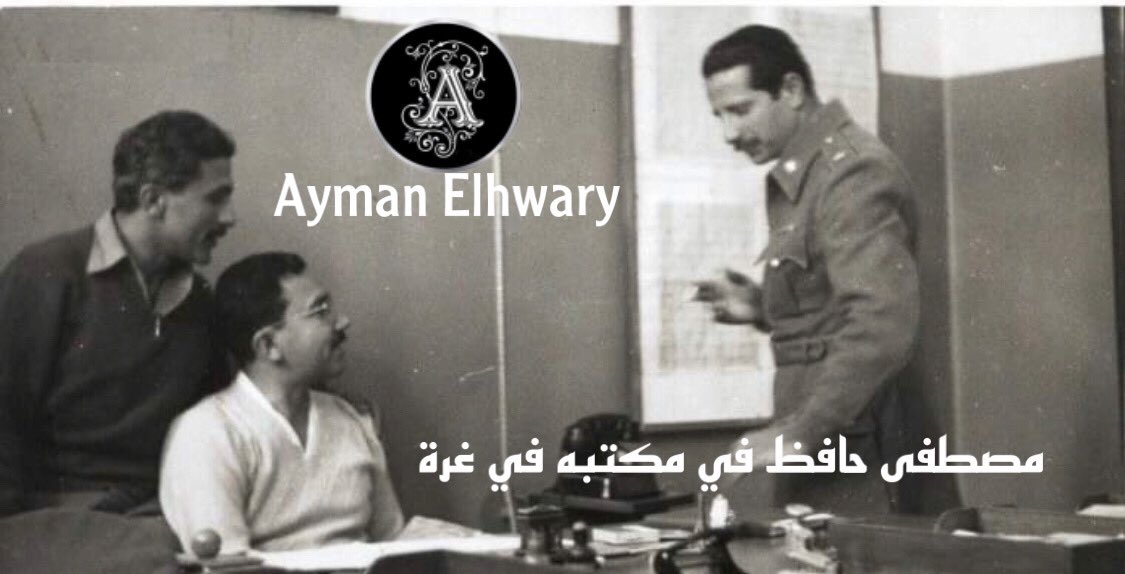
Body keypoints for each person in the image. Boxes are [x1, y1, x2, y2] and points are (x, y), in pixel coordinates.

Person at [694, 25, 919, 514]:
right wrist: (762, 309)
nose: (729, 133)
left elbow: (882, 319)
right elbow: (831, 310)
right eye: (719, 116)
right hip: (825, 436)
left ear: (792, 90)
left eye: (740, 110)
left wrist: (803, 431)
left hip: (859, 440)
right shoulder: (808, 173)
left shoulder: (851, 171)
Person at [0, 110, 237, 518]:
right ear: (153, 200)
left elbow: (226, 419)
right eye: (216, 198)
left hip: (167, 514)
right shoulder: (46, 273)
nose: (230, 217)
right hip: (63, 519)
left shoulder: (199, 301)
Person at [160, 252, 404, 555]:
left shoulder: (351, 420)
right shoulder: (206, 433)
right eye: (320, 311)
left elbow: (394, 542)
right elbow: (225, 566)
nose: (342, 322)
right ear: (268, 345)